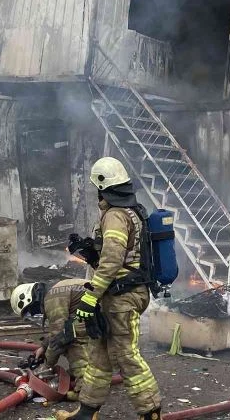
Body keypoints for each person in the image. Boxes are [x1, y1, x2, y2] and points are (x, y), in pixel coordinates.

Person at [57, 157, 161, 420]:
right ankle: (87, 411)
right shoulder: (131, 211)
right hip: (117, 293)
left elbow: (113, 261)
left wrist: (90, 297)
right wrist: (91, 250)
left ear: (103, 187)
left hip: (122, 297)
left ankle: (151, 412)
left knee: (127, 356)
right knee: (99, 356)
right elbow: (116, 254)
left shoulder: (115, 215)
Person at [11, 279, 91, 397]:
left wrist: (47, 366)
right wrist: (43, 347)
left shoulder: (51, 299)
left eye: (29, 311)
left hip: (104, 309)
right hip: (99, 310)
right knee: (70, 332)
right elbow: (59, 328)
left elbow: (60, 336)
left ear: (29, 300)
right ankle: (83, 375)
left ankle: (85, 391)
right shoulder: (52, 292)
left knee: (72, 341)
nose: (33, 314)